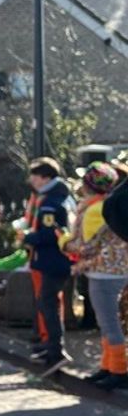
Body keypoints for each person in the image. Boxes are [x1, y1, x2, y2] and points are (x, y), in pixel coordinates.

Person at [65, 162, 128, 390]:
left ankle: (119, 370)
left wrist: (62, 240)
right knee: (112, 322)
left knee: (109, 323)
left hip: (104, 273)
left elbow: (84, 246)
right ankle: (108, 366)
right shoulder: (116, 204)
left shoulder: (94, 209)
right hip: (118, 270)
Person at [23, 156, 75, 374]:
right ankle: (51, 347)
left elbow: (49, 234)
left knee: (48, 305)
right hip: (58, 261)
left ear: (45, 177)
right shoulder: (63, 196)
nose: (31, 180)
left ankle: (56, 351)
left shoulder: (51, 203)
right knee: (49, 304)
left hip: (52, 261)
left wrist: (27, 237)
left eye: (34, 175)